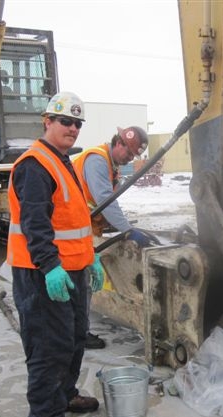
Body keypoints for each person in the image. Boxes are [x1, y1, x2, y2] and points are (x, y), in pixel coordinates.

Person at [6, 91, 100, 417]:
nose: (72, 129)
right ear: (47, 122)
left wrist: (92, 255)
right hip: (43, 274)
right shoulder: (35, 165)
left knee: (74, 338)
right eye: (65, 121)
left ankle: (64, 395)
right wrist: (50, 267)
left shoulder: (62, 161)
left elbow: (72, 219)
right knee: (49, 344)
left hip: (71, 269)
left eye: (77, 123)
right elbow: (35, 224)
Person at [72, 126, 153, 349]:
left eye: (133, 156)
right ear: (119, 143)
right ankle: (79, 335)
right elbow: (104, 199)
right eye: (128, 154)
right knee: (81, 282)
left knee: (82, 282)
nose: (129, 159)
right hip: (73, 228)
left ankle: (77, 331)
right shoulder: (97, 160)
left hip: (84, 226)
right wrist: (126, 229)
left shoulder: (111, 165)